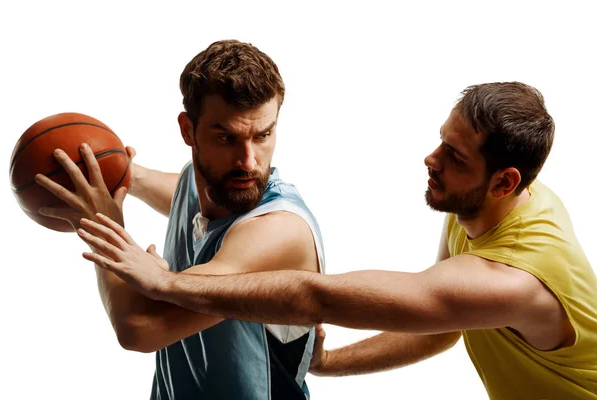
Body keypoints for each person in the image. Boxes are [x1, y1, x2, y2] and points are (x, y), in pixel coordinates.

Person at [77, 82, 596, 399]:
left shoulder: (514, 281)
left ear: (505, 181)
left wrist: (166, 283)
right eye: (442, 140)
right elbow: (441, 328)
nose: (431, 159)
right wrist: (327, 362)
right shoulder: (485, 203)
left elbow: (314, 295)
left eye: (455, 157)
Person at [35, 39, 327, 400]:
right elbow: (183, 192)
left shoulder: (278, 232)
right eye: (226, 137)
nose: (249, 161)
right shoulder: (202, 181)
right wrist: (119, 171)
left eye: (262, 135)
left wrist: (103, 222)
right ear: (188, 131)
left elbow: (140, 329)